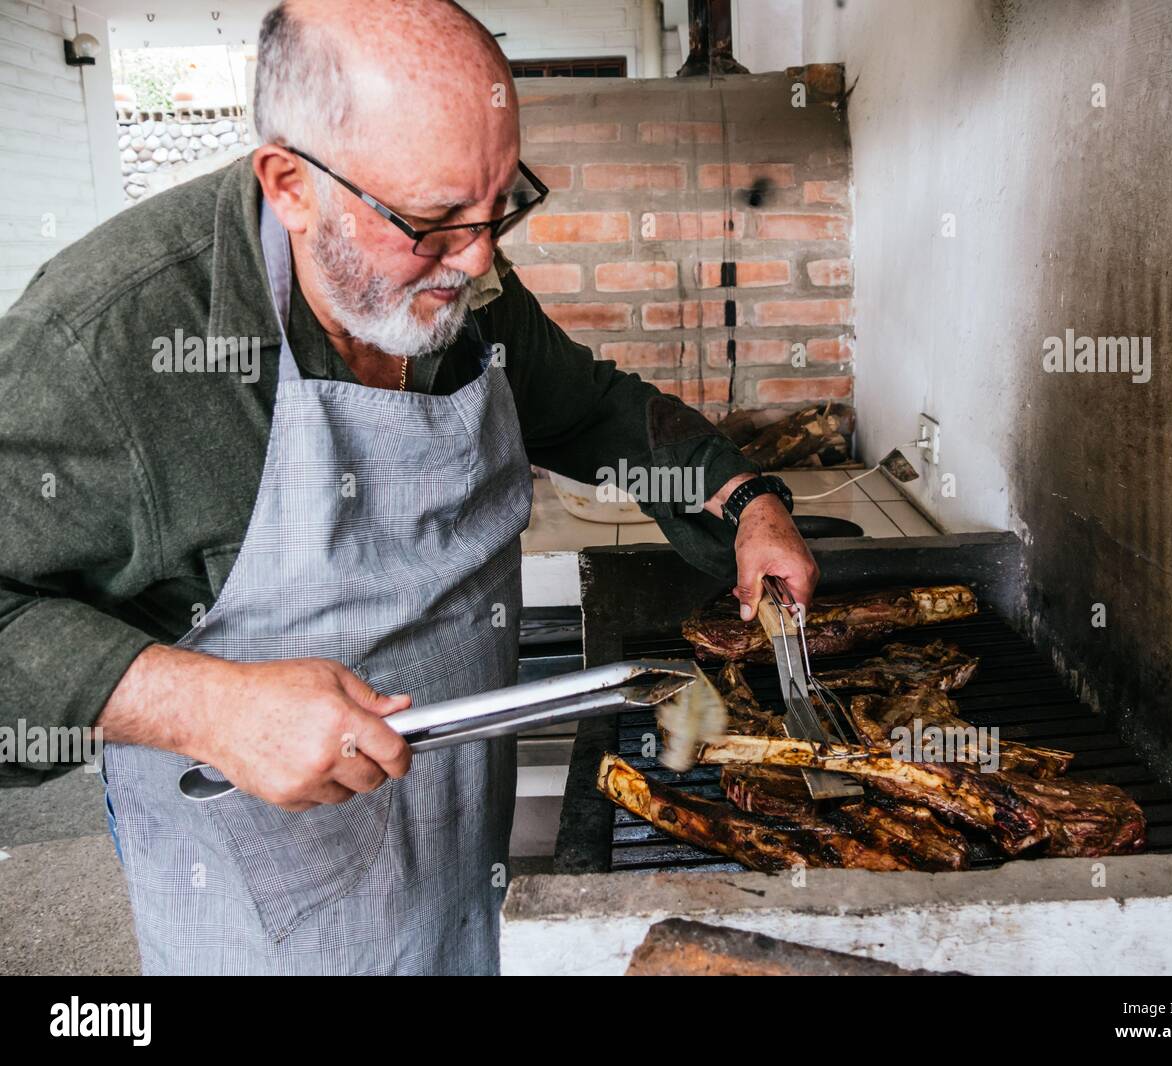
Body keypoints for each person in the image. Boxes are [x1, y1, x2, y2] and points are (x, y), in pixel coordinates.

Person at [0, 0, 817, 974]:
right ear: (290, 184)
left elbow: (587, 405)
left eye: (498, 205)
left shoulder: (457, 270)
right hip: (268, 900)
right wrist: (200, 706)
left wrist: (744, 501)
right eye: (431, 223)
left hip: (458, 836)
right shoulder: (106, 346)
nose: (477, 262)